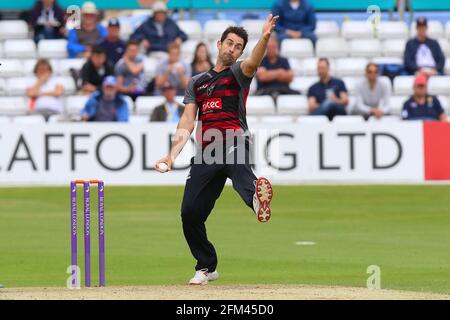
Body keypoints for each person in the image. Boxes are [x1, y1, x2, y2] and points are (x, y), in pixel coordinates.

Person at [154, 15, 278, 286]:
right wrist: (172, 155)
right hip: (207, 151)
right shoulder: (197, 82)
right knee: (190, 213)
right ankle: (207, 266)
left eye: (238, 47)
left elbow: (254, 62)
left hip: (234, 138)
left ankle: (256, 198)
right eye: (229, 44)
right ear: (219, 44)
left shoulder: (238, 74)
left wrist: (265, 37)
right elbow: (188, 120)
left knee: (239, 167)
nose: (232, 49)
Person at [255, 35, 298, 100]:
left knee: (298, 95)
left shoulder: (284, 60)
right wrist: (280, 73)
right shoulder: (261, 60)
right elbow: (262, 77)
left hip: (283, 90)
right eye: (269, 47)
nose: (271, 50)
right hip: (264, 90)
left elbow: (290, 77)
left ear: (277, 47)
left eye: (273, 47)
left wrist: (269, 74)